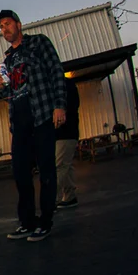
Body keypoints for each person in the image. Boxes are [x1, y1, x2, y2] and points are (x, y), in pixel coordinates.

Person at [0, 10, 66, 242]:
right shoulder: (7, 59)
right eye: (1, 27)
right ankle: (27, 222)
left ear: (18, 24)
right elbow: (9, 92)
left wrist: (59, 105)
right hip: (20, 122)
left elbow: (56, 71)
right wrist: (1, 86)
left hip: (42, 114)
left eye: (7, 24)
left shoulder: (38, 43)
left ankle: (45, 222)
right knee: (20, 173)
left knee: (46, 170)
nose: (5, 29)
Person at [55, 78, 80, 209]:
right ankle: (70, 197)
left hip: (66, 132)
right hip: (63, 133)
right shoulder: (64, 84)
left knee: (58, 166)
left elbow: (71, 106)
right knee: (66, 165)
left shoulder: (65, 85)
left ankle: (53, 199)